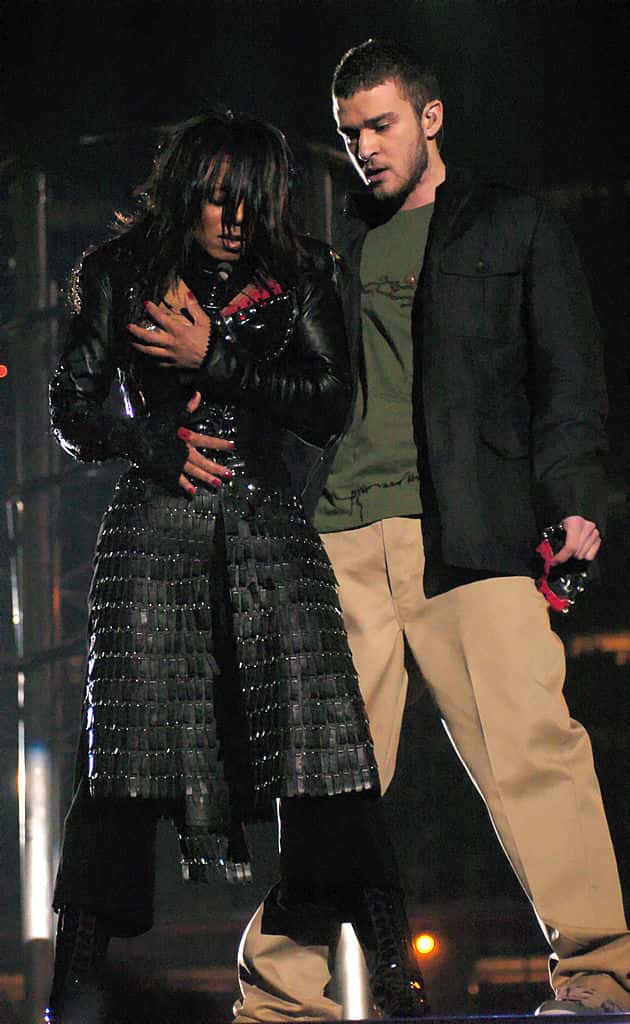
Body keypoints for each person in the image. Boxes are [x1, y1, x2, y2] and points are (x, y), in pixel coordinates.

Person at [235, 40, 630, 1020]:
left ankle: (598, 969)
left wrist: (575, 494)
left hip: (465, 531)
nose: (365, 145)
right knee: (327, 790)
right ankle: (280, 1000)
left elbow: (570, 375)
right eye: (350, 132)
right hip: (337, 542)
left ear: (431, 116)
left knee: (533, 750)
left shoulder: (512, 225)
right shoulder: (336, 250)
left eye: (381, 124)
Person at [46, 111, 428, 1022]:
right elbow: (71, 405)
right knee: (121, 763)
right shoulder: (116, 272)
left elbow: (328, 404)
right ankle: (77, 989)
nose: (232, 217)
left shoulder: (302, 274)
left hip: (269, 532)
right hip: (154, 537)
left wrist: (211, 357)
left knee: (327, 744)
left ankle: (397, 973)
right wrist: (151, 442)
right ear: (187, 190)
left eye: (248, 202)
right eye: (217, 198)